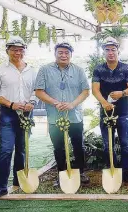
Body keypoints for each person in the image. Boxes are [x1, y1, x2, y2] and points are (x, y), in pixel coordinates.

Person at [0, 36, 38, 203]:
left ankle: (18, 182)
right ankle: (0, 187)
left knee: (22, 149)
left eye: (21, 49)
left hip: (27, 114)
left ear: (24, 51)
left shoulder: (32, 71)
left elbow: (36, 90)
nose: (18, 52)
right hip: (8, 113)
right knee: (6, 150)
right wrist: (11, 104)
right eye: (14, 49)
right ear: (7, 50)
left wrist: (31, 102)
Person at [35, 42, 90, 187]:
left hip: (75, 116)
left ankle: (81, 172)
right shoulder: (44, 70)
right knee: (59, 147)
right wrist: (54, 102)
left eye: (67, 53)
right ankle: (62, 174)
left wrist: (72, 104)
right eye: (60, 52)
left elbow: (85, 91)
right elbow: (39, 91)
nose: (64, 55)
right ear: (55, 54)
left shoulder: (78, 70)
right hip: (55, 117)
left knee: (78, 145)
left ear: (71, 55)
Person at [92, 37, 128, 183]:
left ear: (118, 51)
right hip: (106, 111)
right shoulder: (99, 69)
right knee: (107, 144)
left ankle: (125, 171)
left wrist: (121, 93)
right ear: (104, 52)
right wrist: (104, 103)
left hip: (123, 112)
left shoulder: (126, 68)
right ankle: (112, 167)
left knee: (126, 144)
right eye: (107, 50)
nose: (110, 52)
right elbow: (95, 90)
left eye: (113, 49)